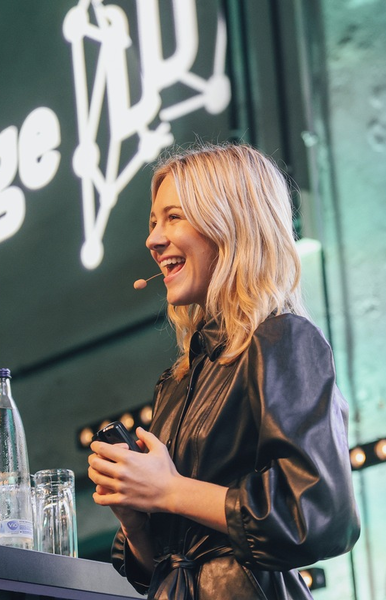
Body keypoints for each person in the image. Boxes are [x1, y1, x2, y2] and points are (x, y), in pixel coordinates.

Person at [88, 143, 360, 599]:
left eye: (174, 217)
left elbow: (318, 515)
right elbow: (157, 569)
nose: (153, 240)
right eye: (153, 223)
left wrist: (170, 491)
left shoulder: (282, 339)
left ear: (230, 225)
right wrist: (137, 522)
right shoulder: (177, 381)